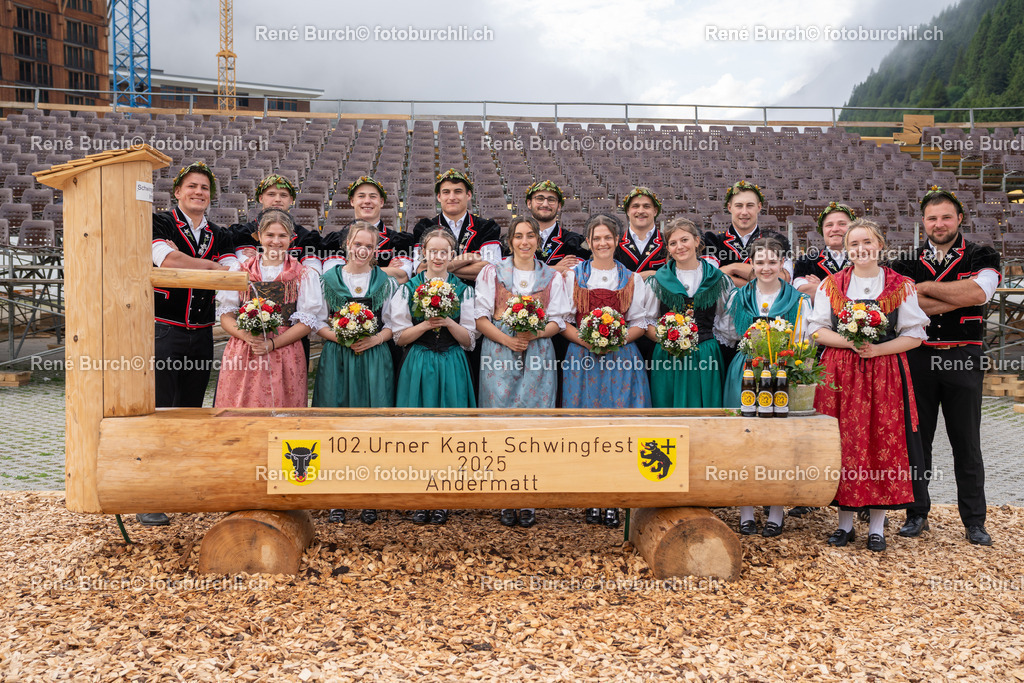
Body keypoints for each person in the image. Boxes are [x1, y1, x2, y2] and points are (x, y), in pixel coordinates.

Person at [806, 219, 929, 552]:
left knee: (880, 441)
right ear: (846, 249)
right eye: (853, 244)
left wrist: (876, 349)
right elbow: (817, 330)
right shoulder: (831, 284)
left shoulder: (900, 285)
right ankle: (844, 524)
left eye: (866, 241)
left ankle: (877, 527)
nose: (860, 248)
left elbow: (914, 335)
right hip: (840, 372)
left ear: (879, 244)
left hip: (884, 370)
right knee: (843, 443)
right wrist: (849, 342)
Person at [892, 187, 1001, 546]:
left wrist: (924, 290)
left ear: (960, 218)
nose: (939, 224)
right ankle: (917, 513)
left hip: (963, 355)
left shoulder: (982, 254)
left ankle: (974, 520)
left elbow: (978, 294)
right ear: (923, 221)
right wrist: (953, 293)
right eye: (932, 218)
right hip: (918, 356)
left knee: (966, 441)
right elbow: (903, 308)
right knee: (917, 441)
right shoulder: (904, 261)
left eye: (946, 217)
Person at [146, 161, 236, 527]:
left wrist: (196, 263)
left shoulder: (220, 232)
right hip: (165, 329)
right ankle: (151, 495)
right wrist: (208, 266)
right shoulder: (160, 222)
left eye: (205, 188)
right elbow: (165, 258)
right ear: (178, 192)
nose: (199, 192)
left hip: (201, 332)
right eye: (192, 187)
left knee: (190, 411)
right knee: (162, 410)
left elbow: (231, 273)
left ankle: (179, 486)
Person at [475, 216, 570, 528]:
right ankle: (504, 496)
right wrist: (507, 339)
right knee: (500, 423)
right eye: (518, 236)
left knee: (533, 424)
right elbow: (481, 317)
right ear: (510, 241)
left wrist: (536, 335)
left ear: (537, 242)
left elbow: (559, 319)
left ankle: (529, 496)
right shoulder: (493, 272)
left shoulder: (551, 277)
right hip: (499, 353)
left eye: (530, 236)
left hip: (538, 355)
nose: (525, 241)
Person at [562, 213, 656, 528]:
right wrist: (589, 343)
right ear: (588, 241)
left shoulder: (633, 278)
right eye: (596, 238)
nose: (602, 243)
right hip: (583, 358)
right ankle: (590, 497)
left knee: (619, 427)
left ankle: (615, 498)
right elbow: (562, 320)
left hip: (621, 358)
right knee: (587, 429)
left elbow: (640, 323)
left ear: (617, 241)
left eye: (608, 238)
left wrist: (614, 340)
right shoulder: (572, 276)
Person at [717, 237, 808, 537]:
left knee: (778, 441)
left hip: (783, 372)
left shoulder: (798, 300)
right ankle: (746, 510)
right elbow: (728, 334)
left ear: (782, 263)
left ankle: (776, 510)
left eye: (772, 261)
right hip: (744, 370)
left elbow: (803, 340)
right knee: (744, 440)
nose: (766, 267)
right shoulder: (738, 298)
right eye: (760, 262)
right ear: (751, 264)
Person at [387, 228, 478, 525]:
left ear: (451, 255)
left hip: (451, 362)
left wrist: (448, 320)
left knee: (449, 430)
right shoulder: (407, 288)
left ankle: (444, 498)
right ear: (423, 253)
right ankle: (419, 496)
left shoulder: (464, 290)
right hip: (419, 362)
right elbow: (400, 338)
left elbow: (468, 341)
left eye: (443, 252)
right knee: (419, 429)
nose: (438, 257)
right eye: (432, 251)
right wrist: (427, 323)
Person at [311, 221, 397, 525]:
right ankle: (337, 495)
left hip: (373, 356)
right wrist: (341, 338)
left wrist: (373, 339)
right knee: (337, 420)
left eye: (369, 246)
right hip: (338, 356)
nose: (362, 250)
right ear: (347, 244)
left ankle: (369, 495)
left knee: (370, 423)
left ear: (376, 250)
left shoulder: (384, 281)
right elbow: (316, 320)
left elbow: (393, 324)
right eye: (357, 244)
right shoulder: (328, 279)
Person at [214, 210, 324, 408]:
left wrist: (272, 344)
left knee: (282, 405)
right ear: (259, 237)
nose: (275, 241)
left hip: (284, 348)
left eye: (282, 235)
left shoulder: (304, 274)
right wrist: (247, 336)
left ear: (291, 238)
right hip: (246, 346)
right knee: (241, 404)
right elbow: (226, 314)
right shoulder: (240, 270)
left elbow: (307, 321)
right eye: (270, 235)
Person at [646, 218, 731, 409]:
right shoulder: (658, 280)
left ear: (697, 241)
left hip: (706, 354)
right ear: (667, 248)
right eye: (673, 243)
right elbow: (647, 321)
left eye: (684, 240)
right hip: (669, 355)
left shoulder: (717, 278)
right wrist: (668, 340)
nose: (680, 247)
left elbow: (726, 319)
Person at [412, 168, 502, 283]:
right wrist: (468, 258)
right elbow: (420, 268)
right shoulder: (425, 227)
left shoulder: (486, 227)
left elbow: (491, 270)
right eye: (446, 192)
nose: (452, 197)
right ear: (439, 197)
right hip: (434, 297)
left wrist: (438, 267)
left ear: (468, 195)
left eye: (458, 191)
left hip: (476, 297)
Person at [322, 176, 414, 284]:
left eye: (373, 197)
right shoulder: (335, 240)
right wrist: (384, 271)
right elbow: (333, 277)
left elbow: (401, 277)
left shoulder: (399, 240)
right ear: (352, 201)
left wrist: (350, 269)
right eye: (361, 196)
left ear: (381, 202)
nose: (367, 201)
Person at [704, 180, 793, 288]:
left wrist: (733, 268)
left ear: (759, 207)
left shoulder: (778, 240)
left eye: (750, 205)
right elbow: (710, 278)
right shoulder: (713, 241)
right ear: (729, 207)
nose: (744, 212)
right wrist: (761, 284)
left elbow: (784, 278)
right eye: (739, 206)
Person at [230, 174, 322, 273]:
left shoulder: (304, 237)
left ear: (291, 200)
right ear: (261, 198)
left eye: (283, 195)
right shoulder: (244, 233)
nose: (278, 199)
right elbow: (245, 268)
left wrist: (263, 259)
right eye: (271, 194)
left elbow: (312, 272)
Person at [793, 202, 855, 302]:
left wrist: (821, 285)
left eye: (842, 224)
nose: (835, 229)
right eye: (829, 225)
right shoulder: (805, 261)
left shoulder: (863, 259)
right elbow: (805, 294)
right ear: (822, 230)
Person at [526, 180, 590, 273]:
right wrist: (556, 268)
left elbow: (574, 274)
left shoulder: (574, 241)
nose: (545, 204)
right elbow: (508, 272)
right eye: (539, 199)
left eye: (551, 200)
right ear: (529, 203)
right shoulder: (513, 239)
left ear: (559, 206)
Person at [614, 187, 667, 279]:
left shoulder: (668, 242)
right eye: (635, 206)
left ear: (655, 211)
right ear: (628, 211)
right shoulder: (615, 243)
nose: (641, 211)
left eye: (646, 206)